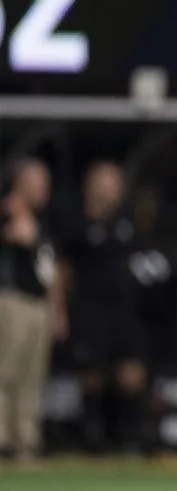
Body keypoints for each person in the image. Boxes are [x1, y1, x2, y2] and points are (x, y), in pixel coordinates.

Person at [58, 161, 149, 454]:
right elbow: (62, 271)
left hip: (123, 311)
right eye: (108, 184)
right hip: (89, 310)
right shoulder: (75, 225)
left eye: (117, 184)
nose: (114, 191)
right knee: (91, 376)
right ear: (91, 186)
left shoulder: (126, 224)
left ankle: (129, 438)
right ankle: (93, 439)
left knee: (131, 373)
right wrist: (60, 309)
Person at [0, 158, 65, 464]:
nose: (44, 190)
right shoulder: (6, 213)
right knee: (4, 373)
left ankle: (26, 442)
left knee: (31, 377)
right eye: (38, 183)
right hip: (11, 301)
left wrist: (57, 309)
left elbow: (50, 269)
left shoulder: (43, 221)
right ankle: (2, 440)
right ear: (20, 183)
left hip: (39, 305)